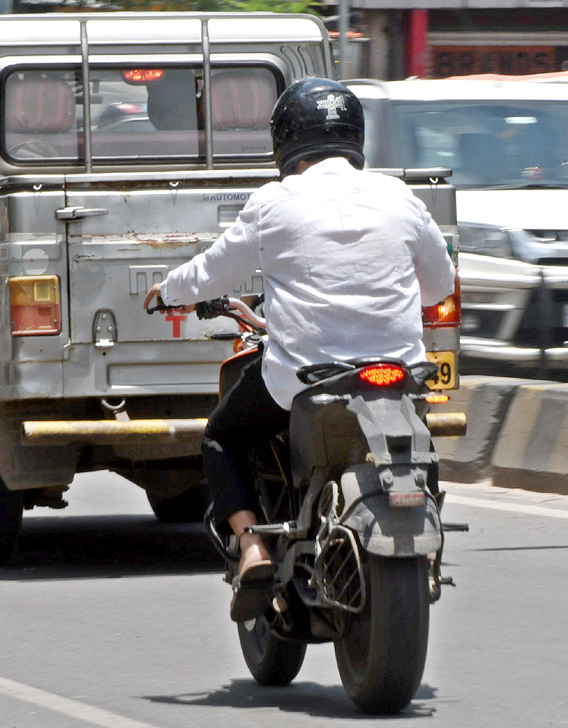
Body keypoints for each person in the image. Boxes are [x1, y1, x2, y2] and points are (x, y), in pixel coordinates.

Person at [143, 78, 456, 622]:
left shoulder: (273, 202)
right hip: (399, 374)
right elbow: (438, 285)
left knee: (222, 435)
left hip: (307, 381)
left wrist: (168, 292)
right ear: (355, 135)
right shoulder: (397, 195)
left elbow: (211, 273)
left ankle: (253, 546)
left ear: (285, 140)